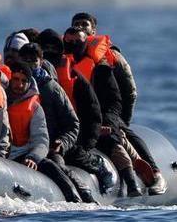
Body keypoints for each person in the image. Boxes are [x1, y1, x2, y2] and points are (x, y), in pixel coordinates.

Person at [71, 12, 166, 195]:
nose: (81, 28)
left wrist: (122, 119)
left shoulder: (111, 56)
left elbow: (130, 90)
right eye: (77, 24)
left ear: (94, 30)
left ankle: (155, 173)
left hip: (110, 110)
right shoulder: (69, 56)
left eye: (85, 24)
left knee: (124, 133)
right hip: (82, 112)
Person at [64, 27, 144, 197]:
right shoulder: (61, 67)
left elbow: (115, 101)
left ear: (86, 42)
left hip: (100, 120)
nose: (72, 45)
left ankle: (131, 183)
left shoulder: (101, 69)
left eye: (77, 41)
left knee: (111, 141)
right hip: (71, 122)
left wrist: (107, 123)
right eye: (68, 41)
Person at [19, 44, 97, 203]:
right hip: (19, 147)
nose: (29, 64)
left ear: (40, 62)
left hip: (49, 147)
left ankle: (83, 194)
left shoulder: (51, 89)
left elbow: (73, 124)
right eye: (25, 60)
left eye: (33, 60)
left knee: (57, 166)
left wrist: (62, 142)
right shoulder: (14, 86)